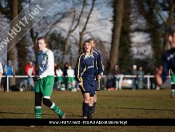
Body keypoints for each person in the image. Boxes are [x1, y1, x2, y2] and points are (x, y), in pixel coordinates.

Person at [34, 37, 66, 119]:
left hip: (48, 78)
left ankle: (61, 113)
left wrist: (40, 76)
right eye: (38, 43)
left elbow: (49, 69)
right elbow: (41, 68)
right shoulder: (39, 54)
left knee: (45, 101)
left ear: (45, 44)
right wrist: (38, 75)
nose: (39, 45)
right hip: (40, 78)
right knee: (37, 100)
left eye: (41, 43)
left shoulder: (49, 53)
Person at [75, 40, 97, 119]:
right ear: (84, 47)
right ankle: (84, 116)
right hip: (85, 80)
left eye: (88, 45)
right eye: (85, 45)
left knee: (91, 100)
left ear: (91, 47)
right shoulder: (82, 57)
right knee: (87, 98)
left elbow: (94, 69)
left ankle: (89, 116)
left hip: (92, 80)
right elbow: (77, 70)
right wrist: (79, 80)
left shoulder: (93, 57)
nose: (87, 46)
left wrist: (98, 74)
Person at [154, 25, 175, 98]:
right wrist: (157, 76)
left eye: (172, 35)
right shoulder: (167, 56)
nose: (169, 39)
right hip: (173, 77)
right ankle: (172, 93)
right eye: (169, 35)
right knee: (173, 83)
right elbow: (161, 82)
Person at [88, 38, 103, 116]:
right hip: (87, 77)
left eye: (91, 43)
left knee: (94, 93)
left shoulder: (97, 54)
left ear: (94, 45)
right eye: (89, 43)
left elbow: (100, 65)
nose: (90, 44)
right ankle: (89, 109)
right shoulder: (84, 54)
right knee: (87, 94)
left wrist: (100, 74)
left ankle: (92, 109)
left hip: (95, 77)